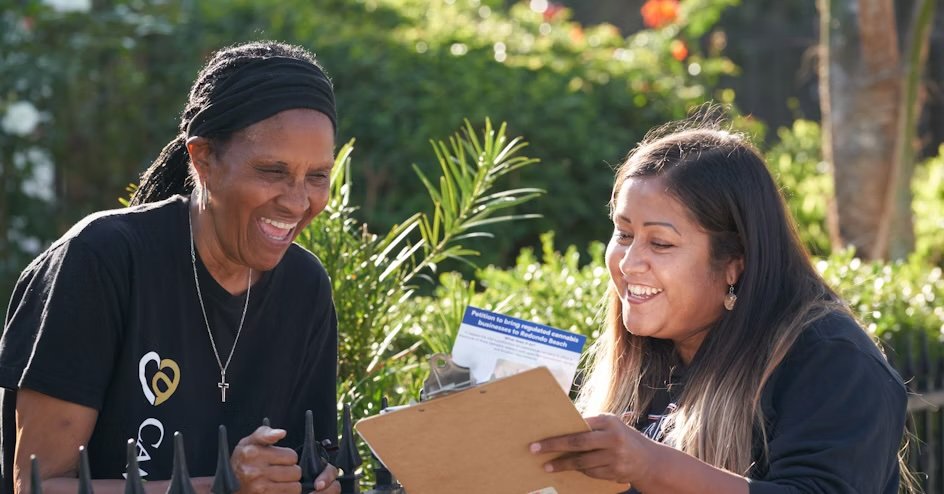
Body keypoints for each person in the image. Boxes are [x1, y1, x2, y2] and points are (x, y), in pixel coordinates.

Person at [0, 41, 342, 494]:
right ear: (203, 160)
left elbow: (307, 464)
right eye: (272, 171)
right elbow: (39, 484)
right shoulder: (100, 260)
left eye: (317, 176)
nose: (299, 201)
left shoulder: (305, 287)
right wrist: (222, 486)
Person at [530, 116, 909, 493]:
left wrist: (651, 466)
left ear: (734, 263)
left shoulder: (833, 361)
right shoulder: (650, 352)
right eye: (624, 233)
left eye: (660, 243)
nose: (628, 263)